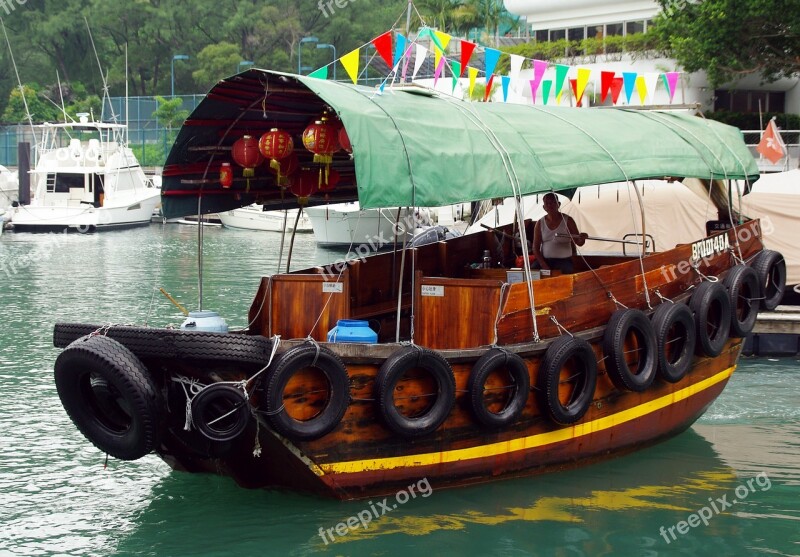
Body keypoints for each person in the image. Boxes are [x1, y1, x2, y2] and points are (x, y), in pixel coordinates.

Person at [531, 192, 588, 274]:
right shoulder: (539, 223)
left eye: (553, 202)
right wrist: (543, 265)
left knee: (565, 272)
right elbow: (535, 248)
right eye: (547, 203)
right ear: (544, 207)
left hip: (564, 261)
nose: (550, 205)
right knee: (533, 271)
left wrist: (582, 238)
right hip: (545, 260)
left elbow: (579, 243)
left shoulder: (568, 221)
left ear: (559, 204)